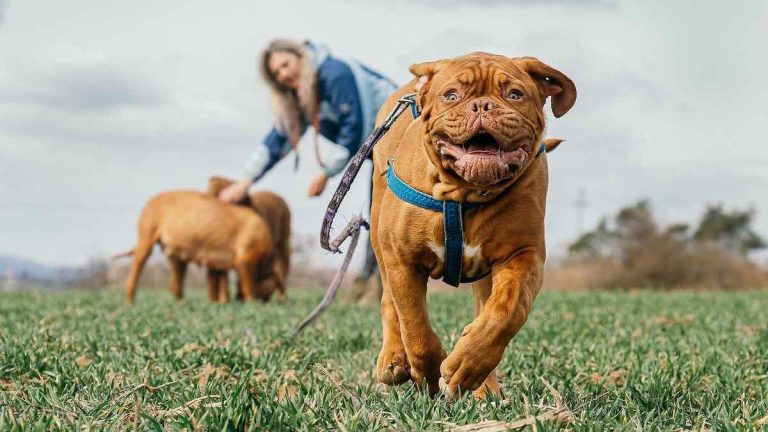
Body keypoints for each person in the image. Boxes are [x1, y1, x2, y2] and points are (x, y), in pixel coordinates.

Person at [219, 38, 397, 286]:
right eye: (276, 72)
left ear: (301, 58)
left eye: (285, 65)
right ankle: (371, 279)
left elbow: (355, 127)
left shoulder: (335, 74)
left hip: (402, 137)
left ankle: (376, 280)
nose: (282, 74)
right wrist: (245, 181)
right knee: (379, 210)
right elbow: (278, 140)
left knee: (386, 211)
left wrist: (326, 173)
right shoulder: (304, 97)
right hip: (379, 150)